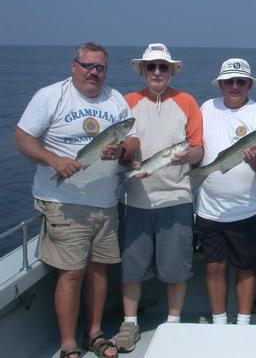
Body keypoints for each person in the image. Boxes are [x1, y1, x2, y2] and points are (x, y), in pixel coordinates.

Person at [13, 42, 139, 358]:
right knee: (71, 273)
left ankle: (94, 334)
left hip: (106, 202)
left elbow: (132, 137)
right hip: (63, 202)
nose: (94, 72)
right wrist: (54, 161)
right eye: (88, 66)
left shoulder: (115, 99)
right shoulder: (50, 96)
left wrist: (122, 150)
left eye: (100, 67)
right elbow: (22, 138)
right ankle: (68, 344)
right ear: (74, 66)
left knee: (99, 270)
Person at [113, 43, 204, 353]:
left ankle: (173, 323)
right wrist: (127, 161)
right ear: (142, 70)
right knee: (132, 266)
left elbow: (198, 148)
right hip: (134, 200)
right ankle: (130, 323)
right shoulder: (127, 102)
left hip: (176, 198)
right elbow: (120, 146)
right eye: (150, 66)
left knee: (175, 267)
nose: (156, 72)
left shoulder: (188, 102)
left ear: (171, 71)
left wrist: (185, 157)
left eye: (162, 67)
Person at [195, 58, 256, 326]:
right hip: (209, 209)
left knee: (246, 267)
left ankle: (242, 322)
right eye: (229, 81)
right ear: (220, 84)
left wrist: (254, 159)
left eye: (241, 81)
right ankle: (219, 322)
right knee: (214, 266)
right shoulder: (206, 108)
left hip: (249, 210)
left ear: (249, 84)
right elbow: (195, 147)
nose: (235, 86)